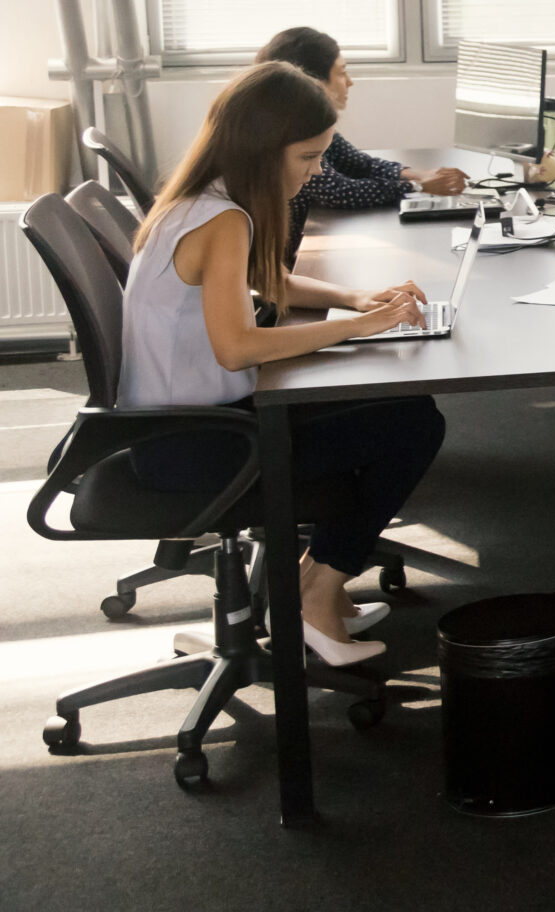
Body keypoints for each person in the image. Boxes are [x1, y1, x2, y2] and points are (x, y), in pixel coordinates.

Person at [120, 62, 446, 667]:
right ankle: (315, 596)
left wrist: (353, 299)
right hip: (203, 444)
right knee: (414, 426)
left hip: (178, 426)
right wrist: (361, 327)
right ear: (263, 150)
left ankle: (312, 584)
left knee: (400, 407)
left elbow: (266, 283)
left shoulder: (201, 198)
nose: (318, 170)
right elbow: (238, 347)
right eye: (307, 157)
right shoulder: (224, 221)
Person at [256, 27, 467, 263]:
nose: (350, 82)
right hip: (285, 269)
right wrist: (417, 187)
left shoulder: (312, 122)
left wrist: (419, 175)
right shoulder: (290, 134)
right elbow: (341, 192)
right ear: (312, 79)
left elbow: (359, 163)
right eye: (342, 73)